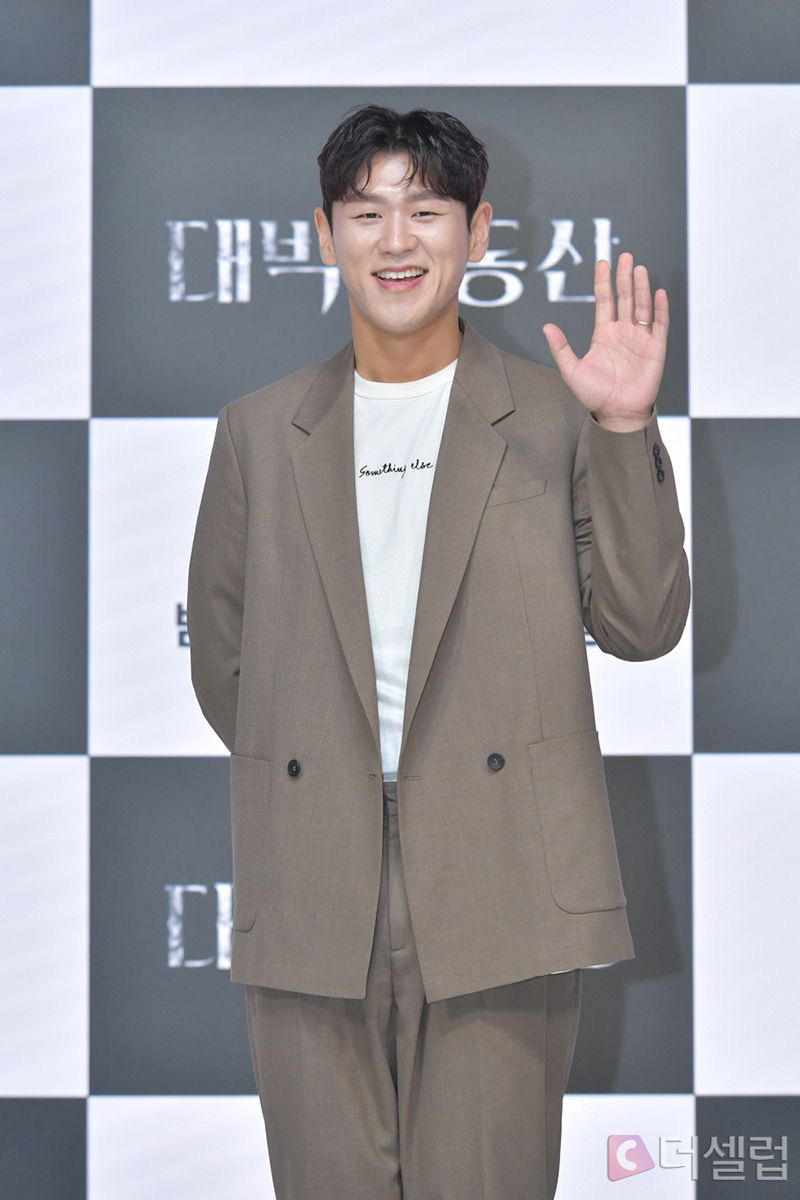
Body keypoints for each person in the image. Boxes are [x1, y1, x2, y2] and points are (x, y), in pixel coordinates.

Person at [187, 103, 691, 1200]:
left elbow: (642, 623)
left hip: (502, 876)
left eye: (425, 210)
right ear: (324, 236)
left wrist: (621, 430)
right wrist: (326, 769)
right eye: (366, 212)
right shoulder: (258, 431)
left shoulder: (556, 415)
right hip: (313, 881)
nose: (396, 240)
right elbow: (225, 665)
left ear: (479, 231)